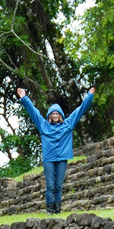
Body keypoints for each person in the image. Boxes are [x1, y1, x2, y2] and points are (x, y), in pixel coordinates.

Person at [17, 86, 95, 215]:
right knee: (50, 186)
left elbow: (79, 110)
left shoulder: (67, 125)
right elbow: (34, 112)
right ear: (49, 115)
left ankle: (58, 210)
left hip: (62, 158)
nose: (54, 115)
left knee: (59, 185)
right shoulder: (44, 126)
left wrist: (89, 97)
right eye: (52, 113)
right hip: (49, 159)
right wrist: (24, 98)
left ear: (60, 115)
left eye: (57, 113)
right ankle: (50, 210)